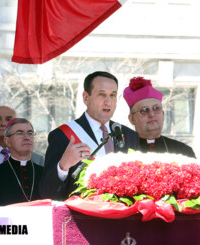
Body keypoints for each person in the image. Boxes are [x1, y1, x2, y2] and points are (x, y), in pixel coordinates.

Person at [39, 71, 139, 201]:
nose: (108, 102)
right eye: (101, 95)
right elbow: (47, 193)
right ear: (86, 98)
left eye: (112, 95)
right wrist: (63, 167)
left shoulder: (130, 136)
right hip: (82, 217)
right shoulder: (63, 135)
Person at [124, 76, 195, 158]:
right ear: (132, 119)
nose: (151, 114)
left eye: (156, 108)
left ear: (163, 114)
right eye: (144, 110)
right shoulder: (121, 152)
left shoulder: (184, 152)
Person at [0, 118, 44, 206]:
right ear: (8, 141)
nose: (26, 138)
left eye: (30, 133)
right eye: (20, 133)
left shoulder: (44, 173)